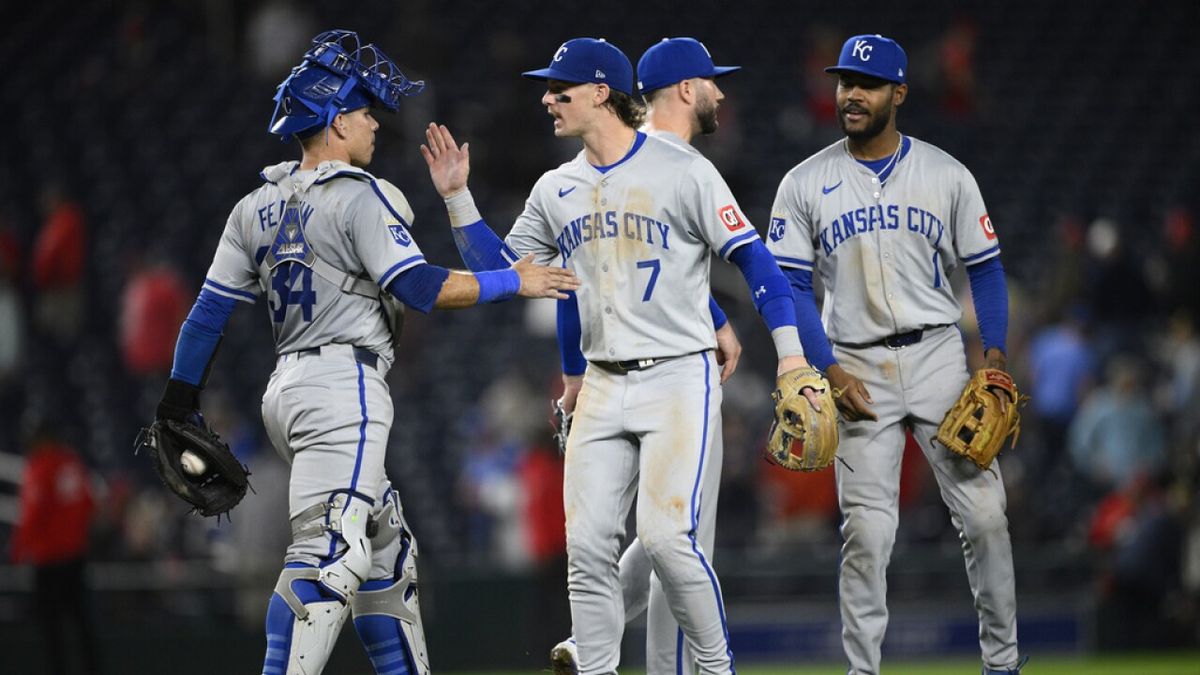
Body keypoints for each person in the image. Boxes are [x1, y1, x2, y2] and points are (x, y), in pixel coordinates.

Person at [151, 30, 578, 675]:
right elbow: (422, 288)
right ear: (334, 121)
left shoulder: (254, 208)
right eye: (362, 110)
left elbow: (207, 313)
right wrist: (516, 279)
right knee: (328, 557)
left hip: (290, 391)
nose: (374, 121)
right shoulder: (359, 194)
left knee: (387, 559)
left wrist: (177, 400)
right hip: (341, 389)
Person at [421, 36, 819, 675]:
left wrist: (793, 356)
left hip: (678, 375)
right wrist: (457, 198)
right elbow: (505, 273)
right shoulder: (557, 187)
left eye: (561, 89)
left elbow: (754, 259)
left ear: (602, 92)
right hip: (602, 382)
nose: (548, 99)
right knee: (587, 554)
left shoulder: (681, 168)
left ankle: (717, 669)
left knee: (666, 540)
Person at [765, 35, 1026, 675]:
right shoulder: (804, 183)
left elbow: (986, 272)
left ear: (898, 93)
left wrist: (992, 356)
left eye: (869, 84)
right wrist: (827, 369)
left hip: (938, 357)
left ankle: (1003, 664)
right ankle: (863, 670)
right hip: (852, 361)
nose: (852, 94)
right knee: (867, 534)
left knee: (987, 518)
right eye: (845, 81)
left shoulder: (945, 173)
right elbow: (793, 287)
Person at [543, 36, 747, 675]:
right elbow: (591, 272)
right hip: (659, 373)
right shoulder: (662, 160)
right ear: (687, 88)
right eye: (711, 82)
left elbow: (632, 271)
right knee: (676, 541)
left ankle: (590, 646)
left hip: (649, 365)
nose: (719, 92)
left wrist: (713, 315)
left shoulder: (629, 158)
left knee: (661, 539)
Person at [10, 421, 99, 674]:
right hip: (75, 557)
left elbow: (32, 514)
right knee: (82, 625)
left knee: (53, 630)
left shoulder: (40, 467)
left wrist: (18, 552)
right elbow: (89, 504)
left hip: (48, 561)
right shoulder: (71, 462)